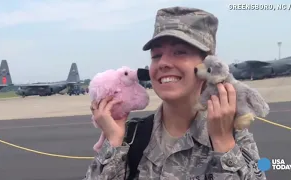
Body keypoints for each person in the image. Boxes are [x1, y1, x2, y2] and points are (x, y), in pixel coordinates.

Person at [83, 6, 266, 180]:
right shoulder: (131, 137)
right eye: (156, 55)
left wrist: (224, 145)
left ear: (208, 64)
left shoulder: (235, 137)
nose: (163, 63)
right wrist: (114, 144)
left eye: (179, 52)